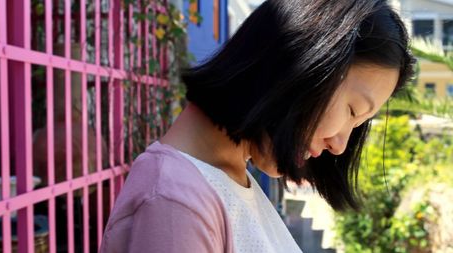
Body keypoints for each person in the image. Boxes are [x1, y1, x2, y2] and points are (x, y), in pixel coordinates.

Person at [100, 0, 415, 252]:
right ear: (300, 64)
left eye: (358, 123)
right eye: (351, 110)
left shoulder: (228, 182)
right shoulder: (175, 203)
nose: (340, 145)